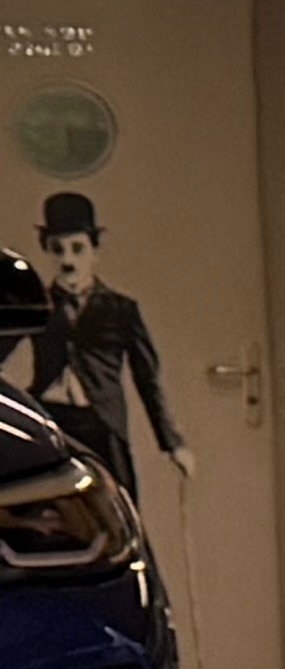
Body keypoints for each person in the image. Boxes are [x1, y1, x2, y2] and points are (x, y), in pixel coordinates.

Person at [20, 192, 182, 488]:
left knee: (118, 504)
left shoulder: (120, 309)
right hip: (52, 421)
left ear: (94, 249)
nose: (67, 259)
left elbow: (147, 379)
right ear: (47, 249)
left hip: (102, 423)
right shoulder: (37, 306)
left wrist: (172, 443)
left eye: (77, 249)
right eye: (58, 249)